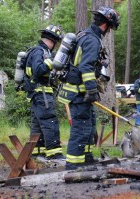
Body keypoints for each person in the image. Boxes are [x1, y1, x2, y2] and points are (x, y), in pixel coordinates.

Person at [58, 6, 120, 170]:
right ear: (106, 25)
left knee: (90, 125)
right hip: (80, 93)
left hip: (80, 92)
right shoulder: (92, 39)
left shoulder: (85, 35)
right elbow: (86, 67)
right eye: (111, 28)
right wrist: (92, 90)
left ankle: (86, 158)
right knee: (81, 128)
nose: (110, 31)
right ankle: (74, 165)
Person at [25, 25, 64, 159]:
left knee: (37, 125)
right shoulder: (40, 51)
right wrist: (51, 62)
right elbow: (38, 70)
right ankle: (54, 153)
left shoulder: (38, 51)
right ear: (52, 41)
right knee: (49, 121)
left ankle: (37, 153)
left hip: (37, 94)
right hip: (41, 94)